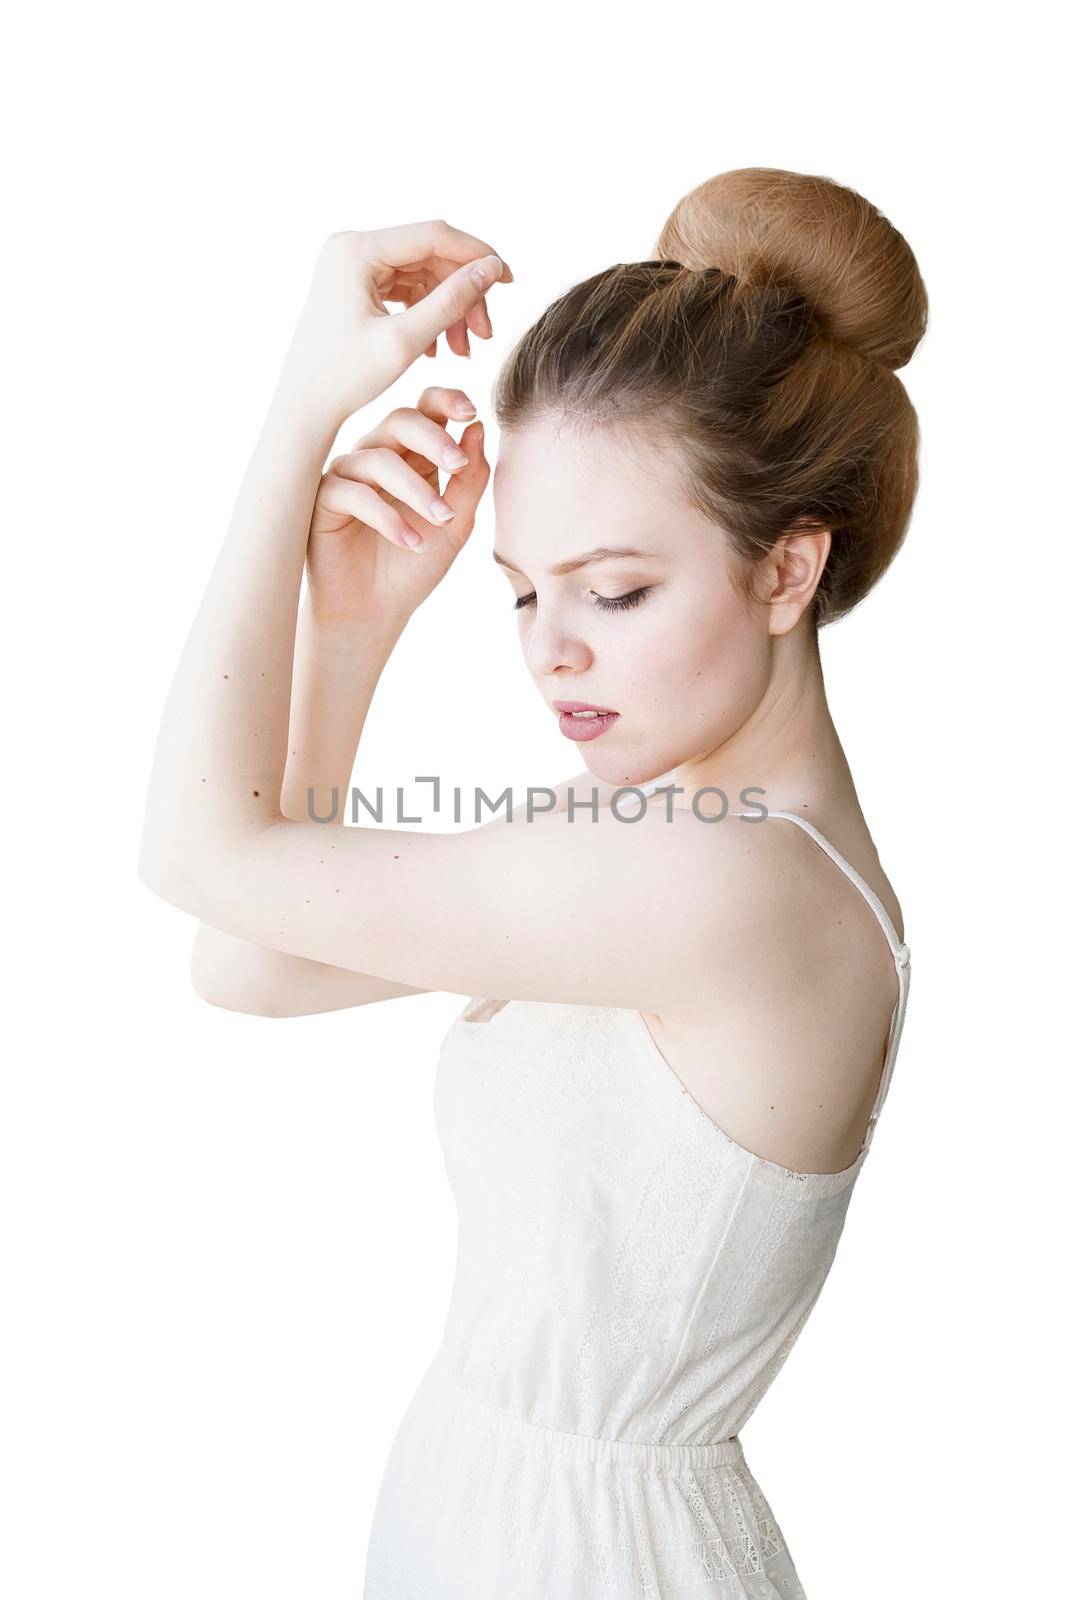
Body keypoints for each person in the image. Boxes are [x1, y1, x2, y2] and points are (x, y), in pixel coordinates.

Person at [139, 167, 922, 1597]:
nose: (547, 649)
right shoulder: (659, 824)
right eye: (520, 586)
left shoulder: (722, 884)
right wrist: (355, 625)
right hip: (492, 1522)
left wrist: (289, 428)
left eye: (614, 590)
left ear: (788, 571)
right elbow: (248, 960)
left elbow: (197, 851)